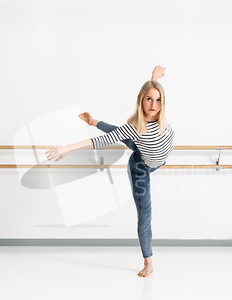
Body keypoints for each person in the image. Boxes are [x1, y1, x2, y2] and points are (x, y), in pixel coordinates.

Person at [46, 65, 174, 277]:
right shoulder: (135, 126)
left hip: (153, 157)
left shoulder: (161, 118)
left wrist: (153, 79)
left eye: (158, 100)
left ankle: (95, 121)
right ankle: (148, 262)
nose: (154, 104)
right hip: (141, 166)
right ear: (141, 100)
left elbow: (154, 92)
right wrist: (66, 148)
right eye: (149, 99)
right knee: (145, 214)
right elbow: (100, 141)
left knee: (129, 139)